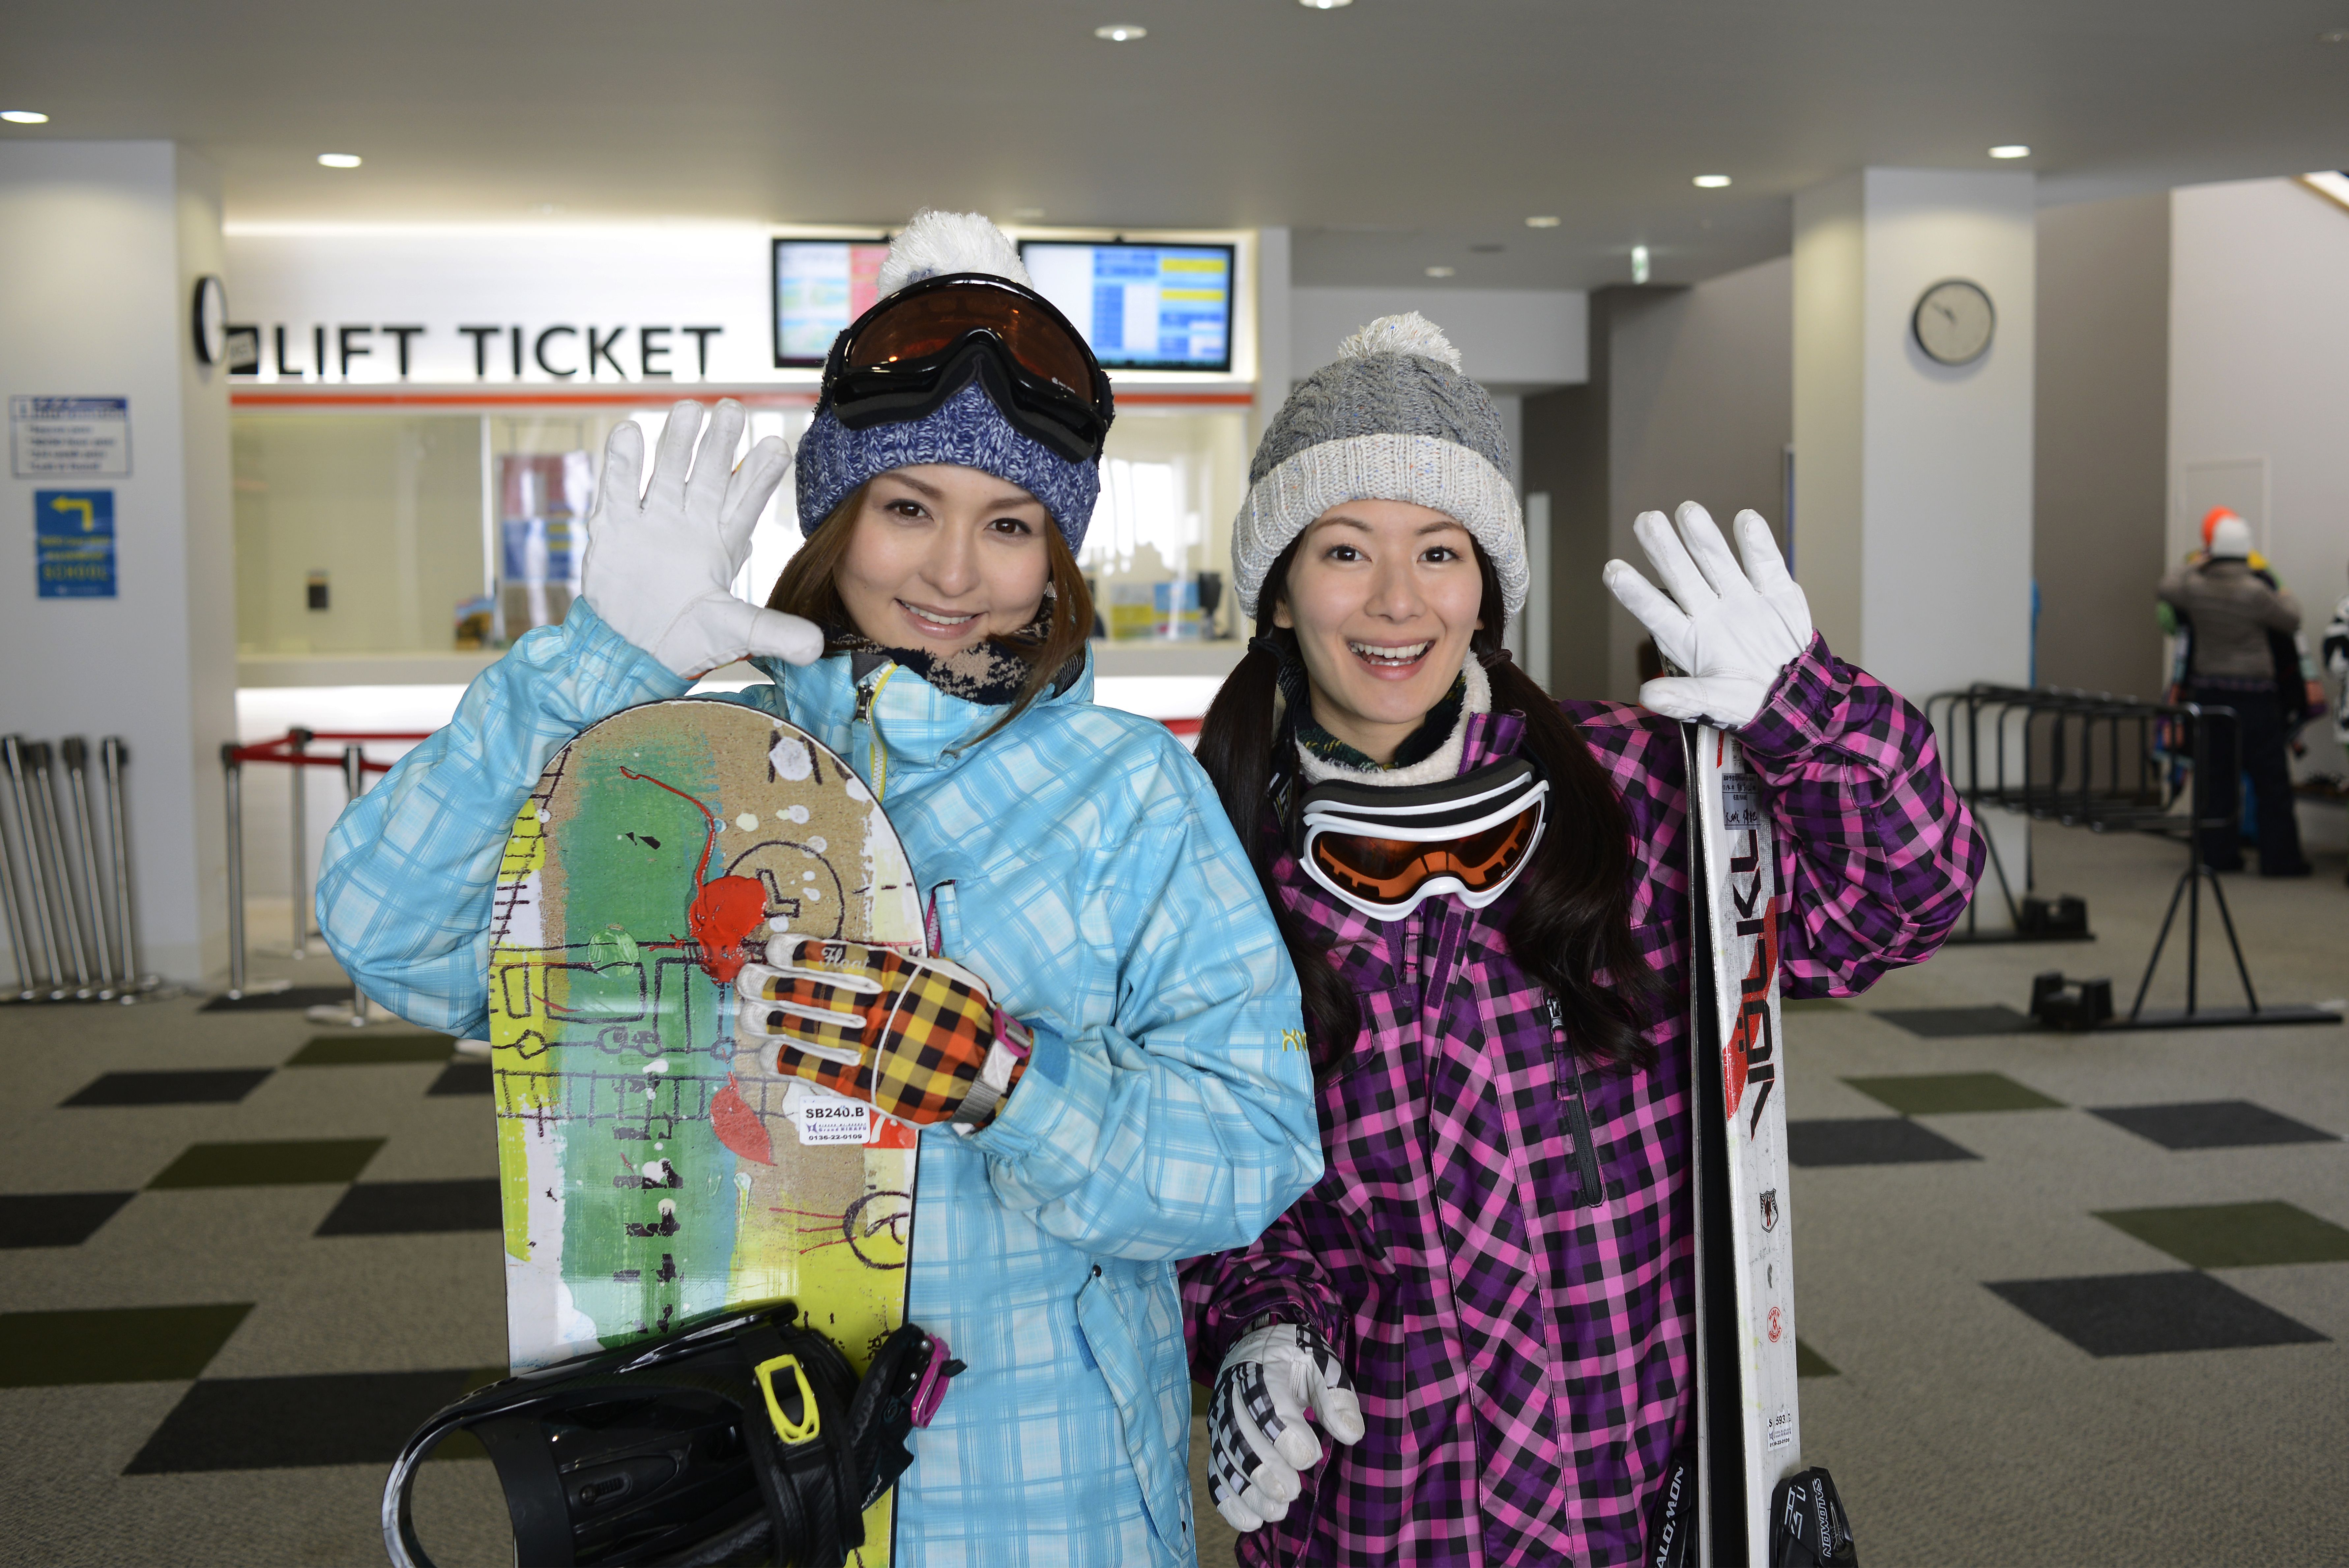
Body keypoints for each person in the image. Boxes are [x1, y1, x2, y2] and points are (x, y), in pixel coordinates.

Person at [318, 211, 1320, 1565]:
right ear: (837, 518)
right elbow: (399, 936)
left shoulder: (1129, 789)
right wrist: (601, 662)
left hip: (1042, 1480)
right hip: (729, 1458)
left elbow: (1252, 1149)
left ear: (1057, 556)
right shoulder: (687, 761)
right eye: (909, 508)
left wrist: (1008, 1086)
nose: (955, 571)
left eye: (1009, 524)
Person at [1176, 314, 1983, 1567]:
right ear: (1280, 584)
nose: (1399, 600)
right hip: (1391, 1504)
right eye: (1346, 550)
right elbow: (1217, 1179)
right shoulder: (1209, 844)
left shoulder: (1633, 783)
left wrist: (1806, 713)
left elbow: (1906, 900)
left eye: (1440, 552)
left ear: (1487, 583)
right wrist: (1259, 1327)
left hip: (1643, 1482)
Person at [2157, 512, 2314, 875]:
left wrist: (2196, 562)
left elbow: (2165, 587)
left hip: (2209, 694)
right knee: (2271, 782)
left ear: (2212, 550)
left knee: (2216, 780)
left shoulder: (2194, 587)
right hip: (2257, 696)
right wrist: (2285, 592)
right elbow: (2291, 619)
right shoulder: (2257, 591)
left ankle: (2218, 856)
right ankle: (2281, 860)